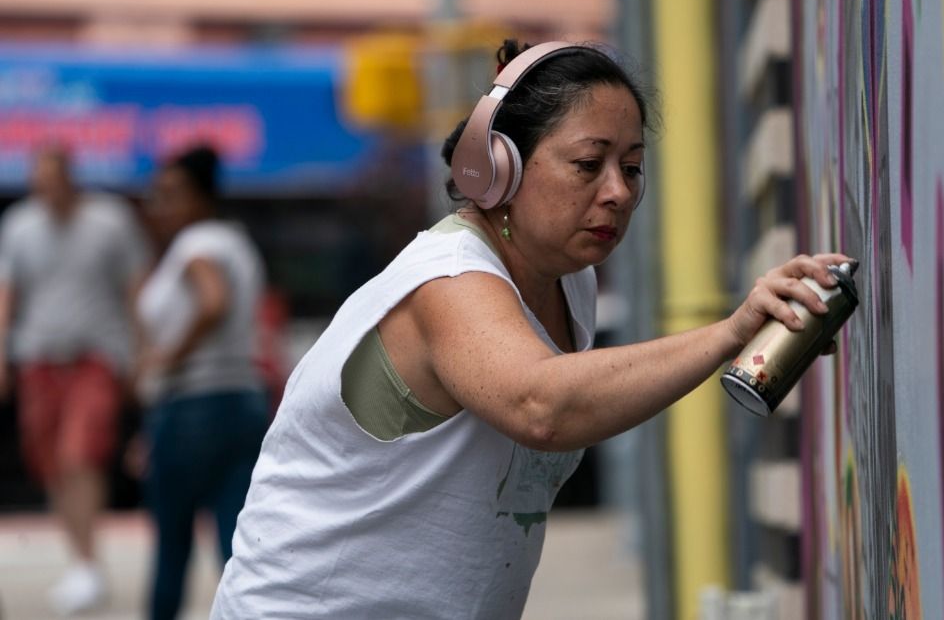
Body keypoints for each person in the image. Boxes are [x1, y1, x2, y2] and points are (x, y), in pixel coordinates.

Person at [211, 40, 851, 619]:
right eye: (588, 163)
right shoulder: (450, 281)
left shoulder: (570, 282)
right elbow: (539, 405)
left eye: (631, 167)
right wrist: (731, 332)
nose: (618, 192)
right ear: (498, 168)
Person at [0, 144, 149, 615]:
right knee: (52, 464)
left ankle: (88, 564)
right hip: (37, 358)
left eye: (52, 181)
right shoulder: (19, 225)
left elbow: (135, 289)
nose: (46, 192)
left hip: (95, 355)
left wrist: (141, 354)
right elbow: (7, 294)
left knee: (80, 454)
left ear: (71, 177)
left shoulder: (110, 220)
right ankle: (79, 560)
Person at [135, 144, 268, 620]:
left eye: (170, 195)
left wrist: (166, 359)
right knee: (237, 540)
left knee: (172, 541)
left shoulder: (197, 245)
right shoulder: (236, 241)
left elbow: (213, 302)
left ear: (198, 196)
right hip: (243, 399)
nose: (160, 206)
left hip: (192, 400)